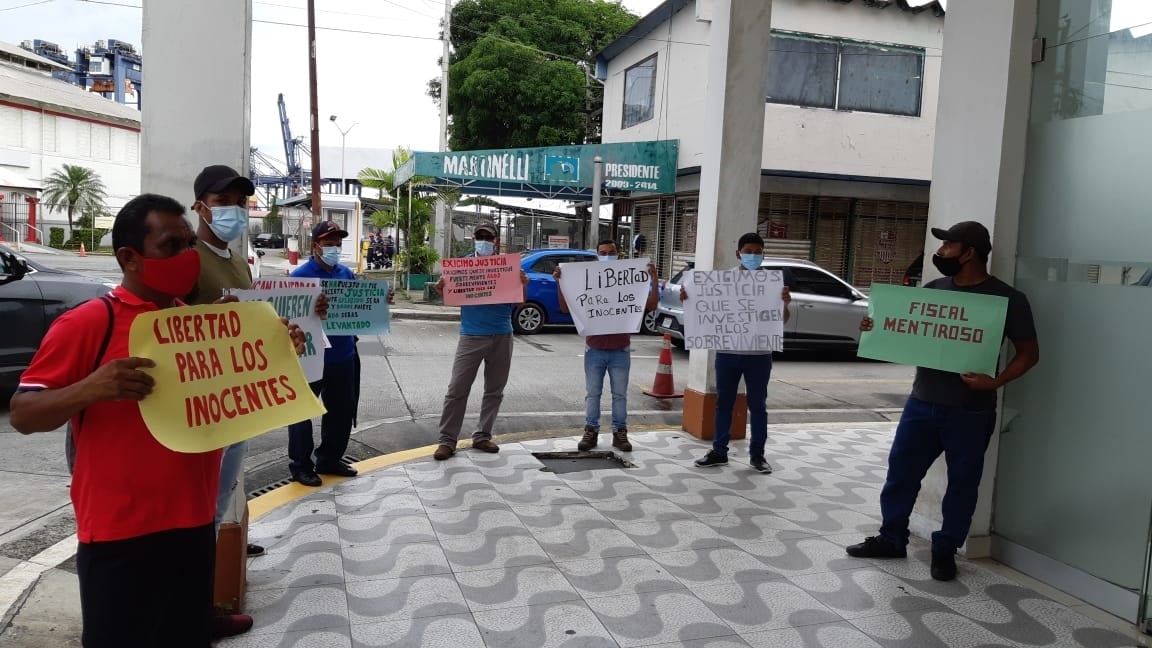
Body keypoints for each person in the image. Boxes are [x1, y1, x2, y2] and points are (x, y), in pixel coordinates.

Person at [9, 194, 306, 648]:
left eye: (189, 245)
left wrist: (279, 350)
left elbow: (240, 401)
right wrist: (93, 387)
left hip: (191, 523)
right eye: (172, 246)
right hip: (120, 533)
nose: (187, 258)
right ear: (130, 258)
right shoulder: (90, 323)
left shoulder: (197, 328)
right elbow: (23, 414)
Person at [845, 221, 1039, 582]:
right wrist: (875, 330)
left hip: (970, 410)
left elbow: (1029, 353)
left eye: (949, 245)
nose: (940, 252)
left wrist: (995, 381)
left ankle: (945, 549)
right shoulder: (933, 290)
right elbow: (906, 331)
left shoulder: (1007, 300)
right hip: (921, 403)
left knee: (963, 483)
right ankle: (891, 538)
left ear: (970, 253)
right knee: (901, 474)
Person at [684, 232, 791, 474]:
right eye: (748, 251)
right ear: (738, 253)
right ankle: (719, 451)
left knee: (758, 406)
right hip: (728, 352)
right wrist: (689, 299)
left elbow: (780, 321)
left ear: (763, 254)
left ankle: (758, 455)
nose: (753, 256)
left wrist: (785, 303)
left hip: (759, 355)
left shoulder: (772, 283)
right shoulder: (723, 281)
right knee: (724, 403)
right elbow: (703, 307)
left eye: (757, 252)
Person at [432, 221, 528, 460]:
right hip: (471, 335)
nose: (484, 240)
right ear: (474, 239)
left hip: (502, 334)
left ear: (496, 240)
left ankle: (483, 435)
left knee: (494, 391)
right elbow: (448, 297)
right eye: (480, 236)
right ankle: (447, 440)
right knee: (457, 389)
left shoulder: (507, 267)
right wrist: (440, 288)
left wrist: (522, 285)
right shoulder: (462, 266)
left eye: (488, 236)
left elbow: (520, 303)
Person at [553, 239, 659, 453]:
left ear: (618, 255)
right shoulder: (587, 278)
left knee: (620, 394)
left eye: (611, 252)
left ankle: (620, 432)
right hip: (595, 349)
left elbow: (650, 305)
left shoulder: (627, 278)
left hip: (621, 348)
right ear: (597, 255)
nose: (607, 255)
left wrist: (654, 281)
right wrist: (560, 282)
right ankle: (591, 430)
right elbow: (565, 308)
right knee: (593, 393)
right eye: (603, 252)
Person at [287, 221, 360, 487]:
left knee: (340, 412)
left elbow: (359, 306)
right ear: (315, 245)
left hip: (342, 355)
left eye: (338, 244)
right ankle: (301, 466)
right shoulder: (299, 276)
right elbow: (286, 319)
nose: (334, 248)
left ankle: (329, 459)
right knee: (301, 414)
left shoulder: (346, 274)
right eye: (329, 244)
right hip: (310, 358)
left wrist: (379, 301)